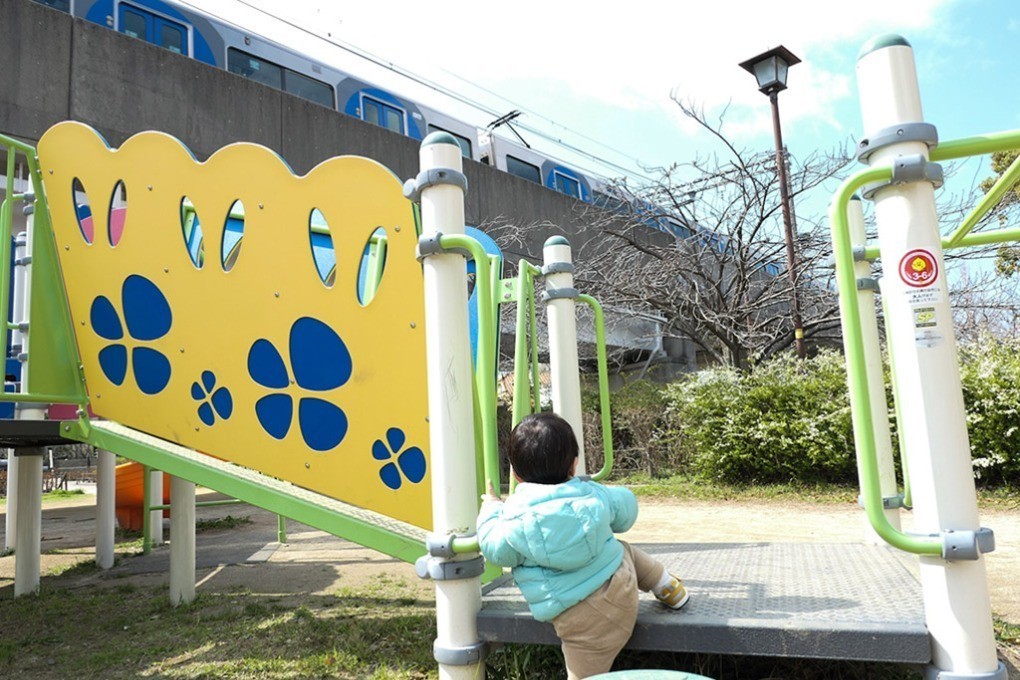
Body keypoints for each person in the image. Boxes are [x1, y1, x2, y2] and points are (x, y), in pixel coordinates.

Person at [477, 412, 688, 679]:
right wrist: (610, 493)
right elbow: (627, 512)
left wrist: (492, 510)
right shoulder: (593, 494)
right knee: (623, 550)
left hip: (583, 625)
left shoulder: (512, 519)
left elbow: (494, 549)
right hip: (623, 587)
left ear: (517, 475)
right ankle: (666, 585)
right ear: (574, 465)